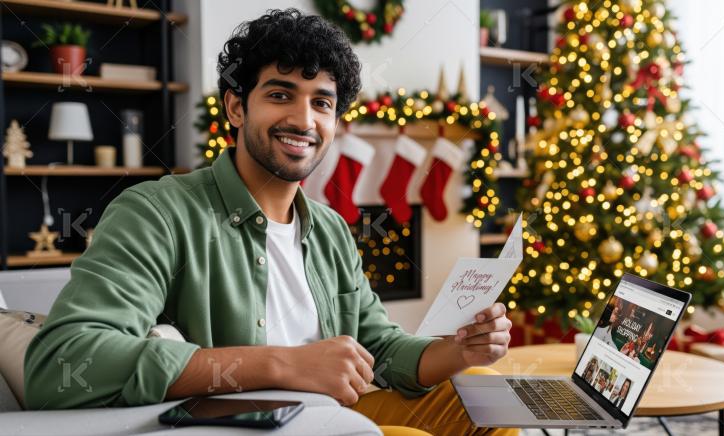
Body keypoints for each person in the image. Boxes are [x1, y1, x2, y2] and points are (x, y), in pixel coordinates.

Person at [24, 9, 516, 435]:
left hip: (339, 414)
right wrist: (284, 365)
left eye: (321, 102)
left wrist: (458, 350)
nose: (304, 120)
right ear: (236, 107)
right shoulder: (157, 213)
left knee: (486, 397)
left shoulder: (329, 230)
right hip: (256, 425)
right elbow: (63, 364)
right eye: (281, 95)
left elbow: (380, 349)